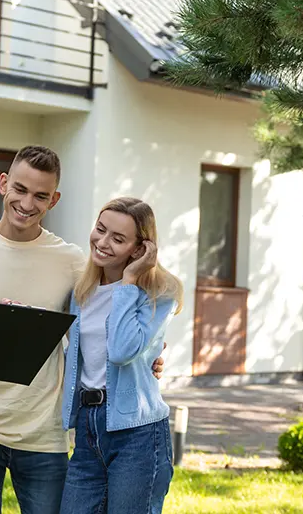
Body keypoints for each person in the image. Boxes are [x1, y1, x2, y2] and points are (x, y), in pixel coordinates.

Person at [0, 147, 165, 514]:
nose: (28, 203)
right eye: (20, 189)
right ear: (3, 184)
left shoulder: (75, 262)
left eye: (40, 195)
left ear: (54, 200)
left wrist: (151, 350)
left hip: (44, 432)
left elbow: (110, 321)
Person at [61, 197, 183, 514]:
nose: (102, 243)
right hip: (88, 428)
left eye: (118, 239)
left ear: (139, 249)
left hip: (137, 434)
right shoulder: (81, 290)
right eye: (100, 230)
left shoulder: (160, 293)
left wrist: (129, 282)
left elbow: (120, 351)